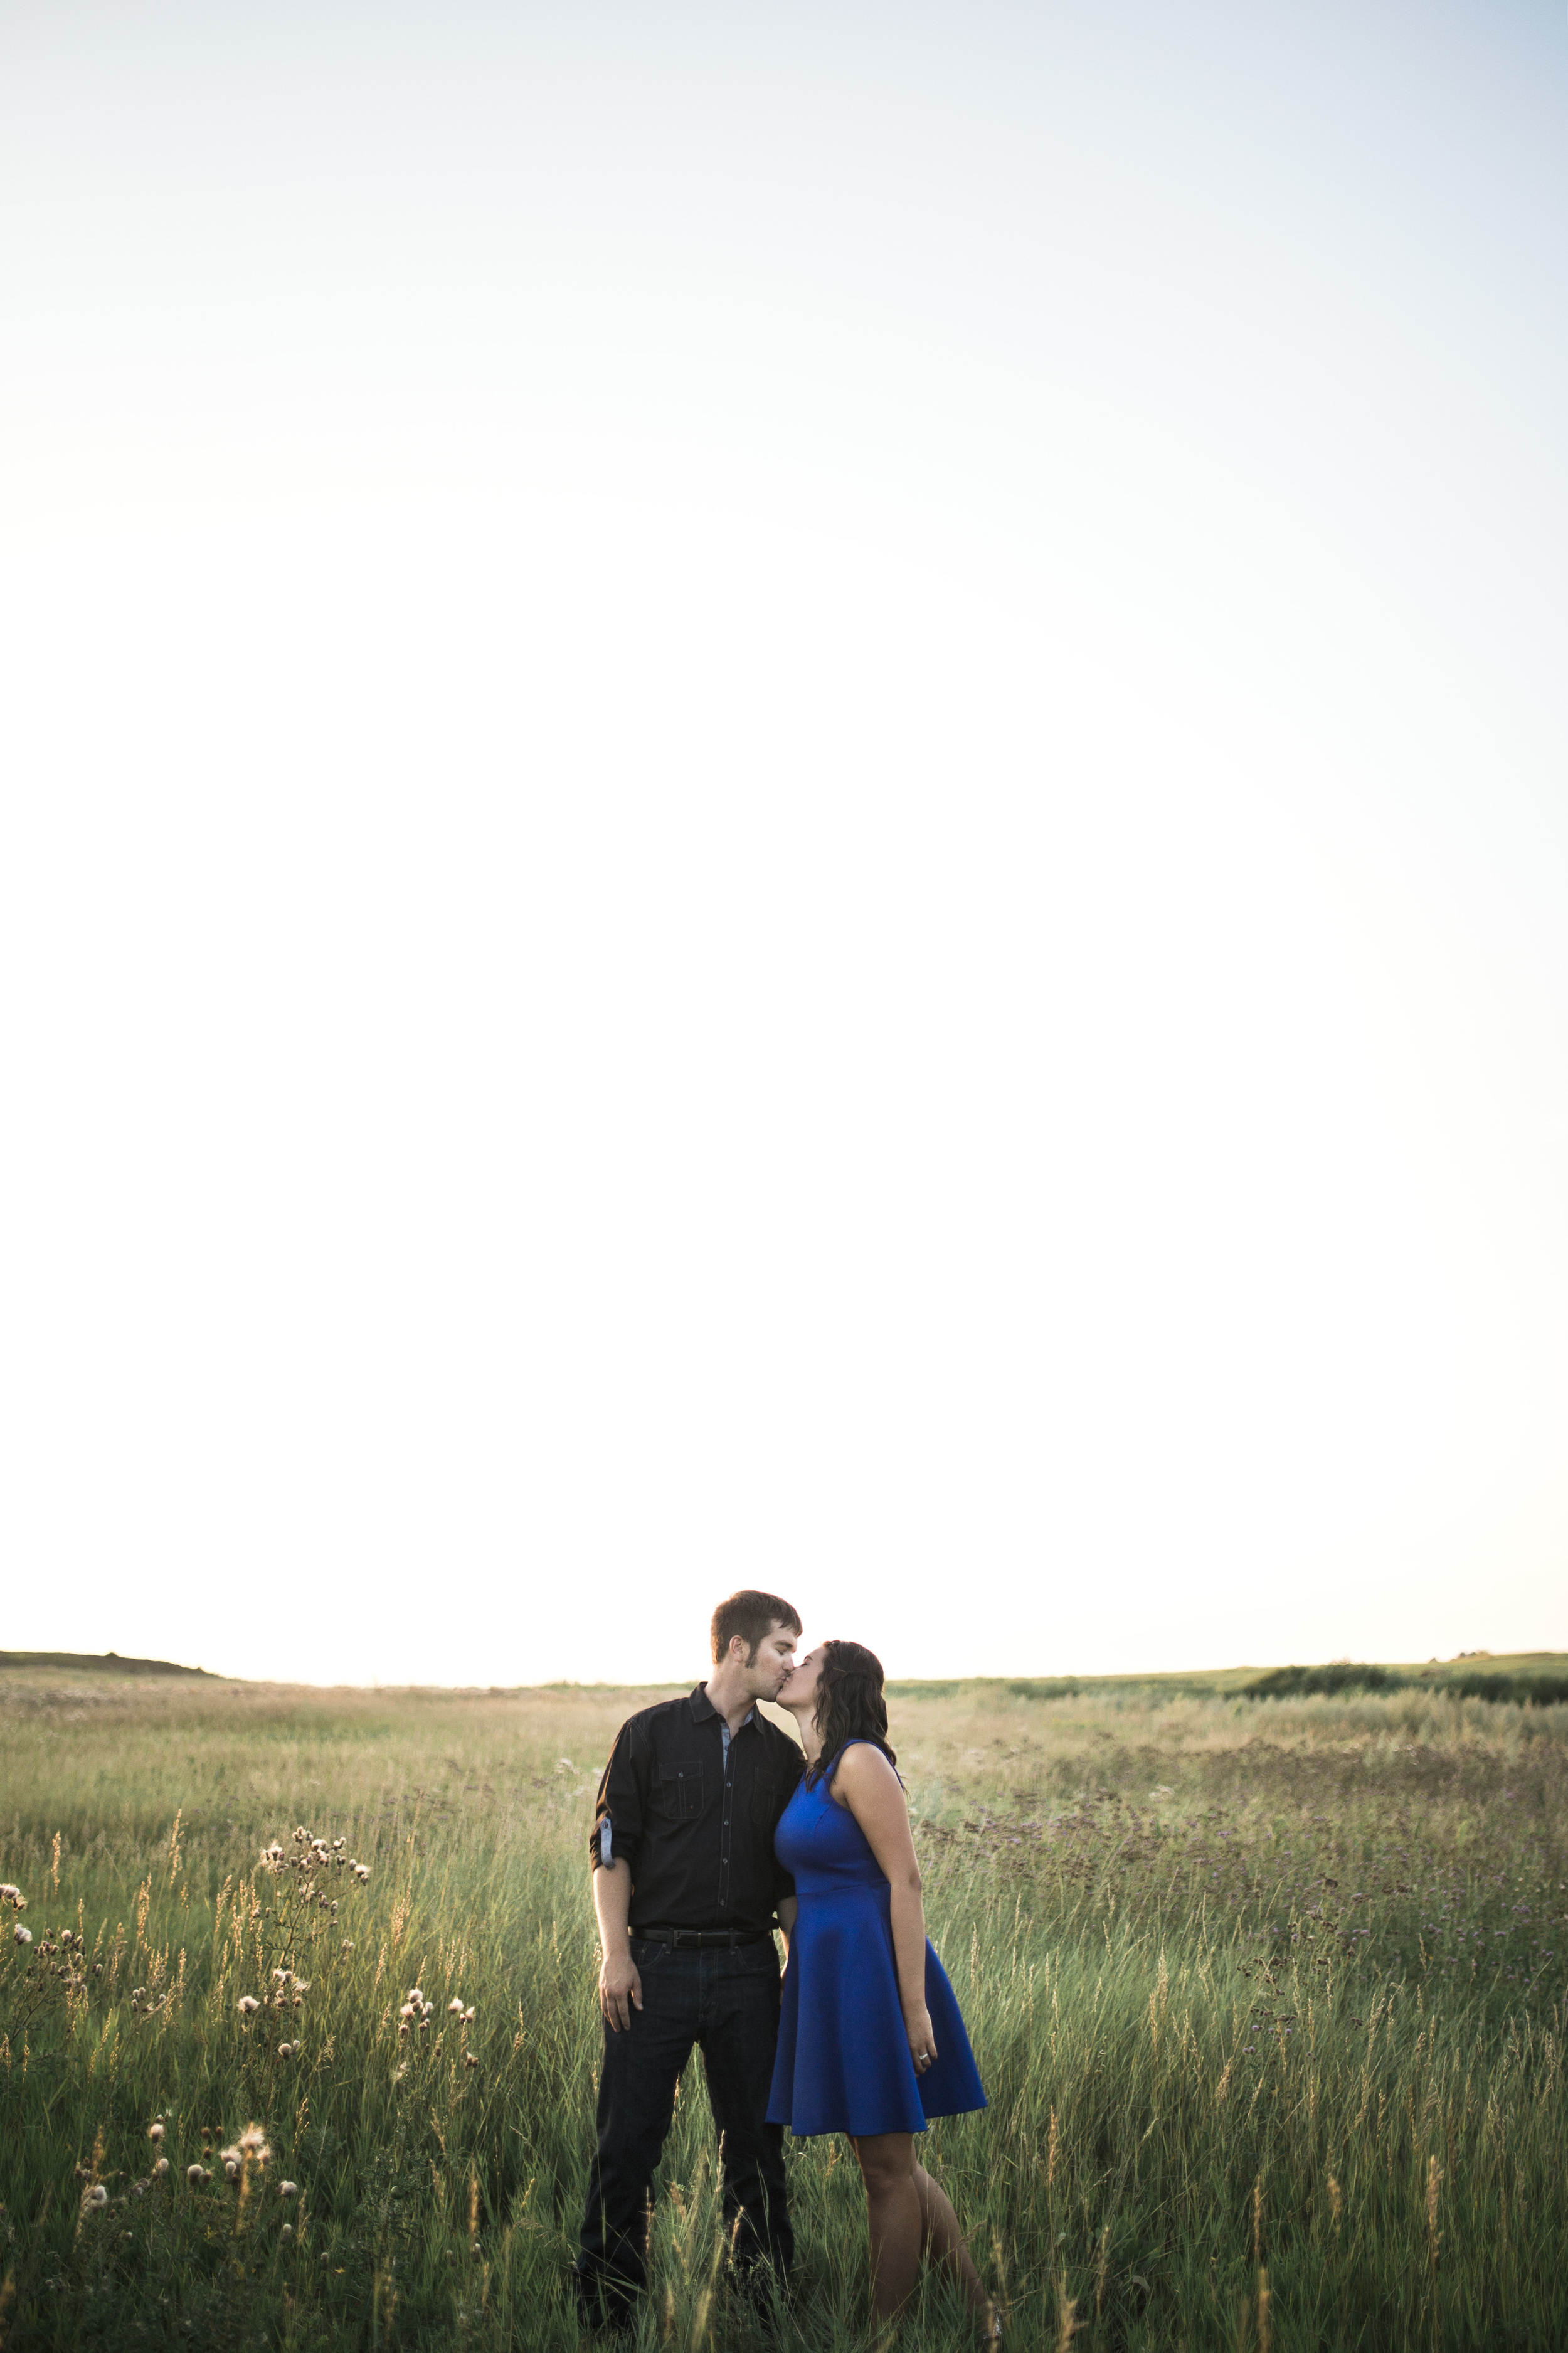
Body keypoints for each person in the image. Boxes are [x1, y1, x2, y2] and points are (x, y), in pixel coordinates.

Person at [575, 1590, 805, 2329]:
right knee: (627, 2146)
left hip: (748, 1971)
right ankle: (608, 2314)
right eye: (781, 1648)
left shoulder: (782, 1755)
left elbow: (787, 1881)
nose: (790, 1664)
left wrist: (797, 1962)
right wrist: (616, 1956)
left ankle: (760, 2310)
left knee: (757, 2153)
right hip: (656, 1968)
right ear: (737, 1648)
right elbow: (612, 1853)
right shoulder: (649, 1734)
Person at [768, 1639, 997, 2337]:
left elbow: (905, 1881)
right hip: (827, 1973)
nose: (789, 1666)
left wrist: (912, 2005)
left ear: (833, 1682)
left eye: (803, 1660)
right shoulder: (812, 1770)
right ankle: (981, 2313)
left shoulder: (860, 1761)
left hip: (871, 1971)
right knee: (887, 2161)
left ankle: (883, 2336)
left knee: (886, 2170)